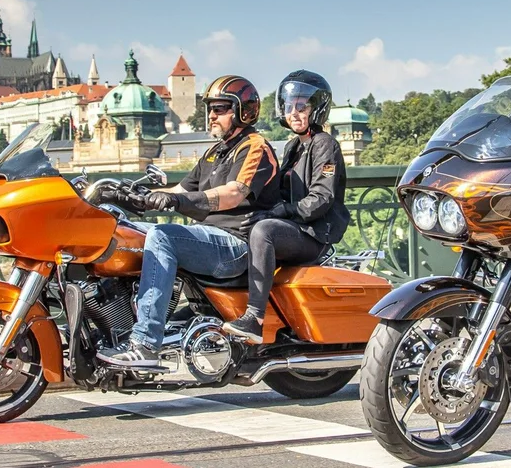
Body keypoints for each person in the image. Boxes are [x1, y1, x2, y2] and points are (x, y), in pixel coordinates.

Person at [98, 75, 280, 368]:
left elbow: (233, 193)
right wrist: (130, 195)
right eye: (211, 108)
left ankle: (145, 343)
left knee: (162, 236)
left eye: (220, 109)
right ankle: (110, 326)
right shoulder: (213, 152)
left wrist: (178, 202)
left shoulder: (254, 146)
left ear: (244, 111)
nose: (211, 115)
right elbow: (179, 191)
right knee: (119, 228)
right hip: (207, 237)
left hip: (236, 244)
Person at [222, 70, 352, 344]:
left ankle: (255, 318)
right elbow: (278, 191)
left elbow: (321, 198)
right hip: (296, 227)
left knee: (264, 231)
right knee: (246, 225)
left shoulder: (325, 144)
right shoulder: (293, 146)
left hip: (314, 234)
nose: (293, 113)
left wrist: (283, 212)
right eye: (289, 106)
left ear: (317, 109)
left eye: (301, 106)